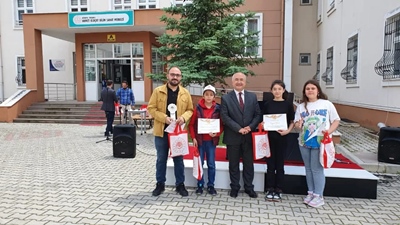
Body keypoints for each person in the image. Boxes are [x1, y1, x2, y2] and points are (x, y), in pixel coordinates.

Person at [147, 66, 194, 197]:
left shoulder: (185, 93)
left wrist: (183, 118)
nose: (175, 77)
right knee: (161, 159)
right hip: (162, 132)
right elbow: (151, 108)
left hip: (178, 133)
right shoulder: (158, 91)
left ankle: (180, 185)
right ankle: (160, 184)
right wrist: (164, 118)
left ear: (181, 77)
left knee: (179, 160)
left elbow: (190, 110)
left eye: (177, 75)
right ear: (167, 76)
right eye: (172, 74)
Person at [294, 79, 340, 208]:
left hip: (320, 141)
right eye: (307, 89)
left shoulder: (326, 104)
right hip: (304, 141)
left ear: (318, 90)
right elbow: (297, 126)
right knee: (308, 169)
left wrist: (329, 131)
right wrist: (299, 124)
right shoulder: (301, 106)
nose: (310, 90)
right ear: (304, 92)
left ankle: (319, 195)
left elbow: (336, 120)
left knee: (317, 169)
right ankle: (311, 193)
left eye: (312, 88)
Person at [220, 72, 262, 198]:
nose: (239, 82)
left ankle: (249, 188)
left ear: (245, 82)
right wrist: (238, 129)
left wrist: (250, 127)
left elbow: (258, 114)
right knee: (233, 164)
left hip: (249, 136)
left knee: (249, 164)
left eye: (241, 80)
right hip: (233, 136)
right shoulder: (226, 98)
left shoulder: (252, 97)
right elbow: (225, 116)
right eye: (236, 80)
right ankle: (235, 187)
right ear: (232, 82)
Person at [262, 80, 294, 201]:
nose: (277, 91)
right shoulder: (267, 104)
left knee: (280, 164)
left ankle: (279, 189)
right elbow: (263, 120)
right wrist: (263, 124)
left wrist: (287, 131)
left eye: (279, 89)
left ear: (283, 90)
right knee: (270, 164)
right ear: (271, 91)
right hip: (269, 138)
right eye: (274, 89)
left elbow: (292, 121)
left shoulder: (288, 105)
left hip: (282, 138)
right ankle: (270, 188)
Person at [189, 85, 224, 196]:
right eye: (206, 94)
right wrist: (194, 137)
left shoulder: (218, 109)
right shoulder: (198, 108)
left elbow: (222, 125)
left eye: (211, 94)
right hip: (200, 141)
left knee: (211, 164)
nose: (208, 97)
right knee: (200, 163)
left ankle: (211, 185)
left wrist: (217, 133)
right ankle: (200, 184)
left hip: (211, 142)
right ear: (203, 95)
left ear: (214, 96)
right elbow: (191, 124)